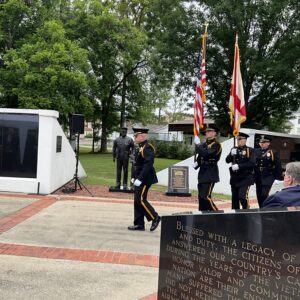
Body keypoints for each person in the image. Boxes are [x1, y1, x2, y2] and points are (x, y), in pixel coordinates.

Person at [128, 127, 161, 231]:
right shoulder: (140, 147)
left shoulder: (147, 147)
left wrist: (140, 179)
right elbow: (137, 164)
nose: (134, 137)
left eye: (136, 136)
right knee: (137, 200)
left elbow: (148, 165)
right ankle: (139, 224)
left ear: (141, 136)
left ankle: (155, 217)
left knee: (140, 199)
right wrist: (134, 177)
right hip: (139, 177)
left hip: (145, 178)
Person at [193, 125, 222, 211]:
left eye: (209, 131)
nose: (207, 133)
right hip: (202, 172)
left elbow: (207, 154)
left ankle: (217, 214)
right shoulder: (204, 144)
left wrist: (198, 145)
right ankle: (202, 215)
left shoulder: (217, 145)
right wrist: (197, 164)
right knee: (201, 198)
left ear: (214, 133)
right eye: (206, 131)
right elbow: (201, 156)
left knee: (205, 196)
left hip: (210, 173)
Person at [226, 132, 256, 209]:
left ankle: (246, 210)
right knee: (234, 199)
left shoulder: (250, 150)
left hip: (245, 177)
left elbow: (252, 163)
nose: (238, 141)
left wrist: (239, 166)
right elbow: (227, 160)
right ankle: (235, 215)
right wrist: (231, 155)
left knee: (242, 197)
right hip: (235, 177)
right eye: (237, 139)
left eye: (240, 139)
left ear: (245, 140)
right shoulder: (234, 149)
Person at [254, 135, 282, 207]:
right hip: (258, 176)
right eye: (261, 142)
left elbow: (278, 165)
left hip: (268, 176)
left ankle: (265, 209)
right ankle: (262, 208)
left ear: (268, 143)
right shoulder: (256, 151)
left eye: (264, 142)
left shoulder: (273, 152)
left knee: (264, 194)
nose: (262, 143)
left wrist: (278, 178)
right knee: (259, 194)